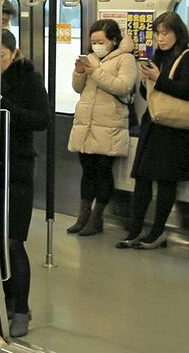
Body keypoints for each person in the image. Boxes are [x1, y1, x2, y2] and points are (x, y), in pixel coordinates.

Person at [117, 12, 189, 250]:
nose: (161, 39)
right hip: (153, 125)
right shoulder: (157, 57)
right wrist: (147, 82)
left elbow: (186, 91)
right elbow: (150, 96)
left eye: (166, 33)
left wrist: (158, 78)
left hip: (175, 131)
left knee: (166, 182)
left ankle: (157, 232)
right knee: (142, 179)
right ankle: (135, 229)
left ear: (178, 34)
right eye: (158, 34)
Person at [67, 20, 137, 236]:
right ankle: (83, 216)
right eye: (93, 41)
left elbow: (123, 87)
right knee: (87, 171)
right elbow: (79, 88)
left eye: (101, 41)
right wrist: (79, 73)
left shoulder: (126, 59)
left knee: (102, 171)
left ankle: (97, 219)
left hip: (110, 125)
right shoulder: (92, 58)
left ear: (113, 40)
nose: (96, 45)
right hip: (86, 123)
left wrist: (96, 71)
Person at [0, 29, 49, 337]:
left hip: (17, 166)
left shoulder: (29, 79)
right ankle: (4, 298)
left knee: (14, 241)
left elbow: (40, 120)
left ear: (14, 53)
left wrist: (6, 106)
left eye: (2, 56)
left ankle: (22, 309)